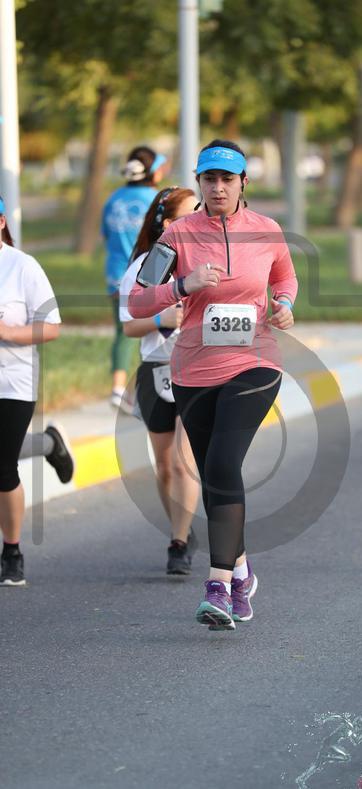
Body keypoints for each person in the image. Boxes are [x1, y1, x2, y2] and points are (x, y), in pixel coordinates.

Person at [128, 139, 297, 631]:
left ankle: (218, 585)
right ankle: (241, 574)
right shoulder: (177, 235)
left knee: (223, 465)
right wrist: (183, 285)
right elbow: (138, 301)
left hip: (255, 363)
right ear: (199, 183)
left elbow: (285, 279)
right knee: (214, 477)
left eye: (227, 179)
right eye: (209, 179)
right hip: (193, 371)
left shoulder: (266, 230)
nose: (218, 188)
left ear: (244, 182)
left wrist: (285, 305)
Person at [119, 186, 199, 574]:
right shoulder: (145, 268)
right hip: (156, 368)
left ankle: (178, 543)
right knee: (165, 466)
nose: (197, 219)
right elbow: (129, 326)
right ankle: (180, 526)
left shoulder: (206, 261)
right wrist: (160, 319)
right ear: (168, 224)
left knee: (183, 461)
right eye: (188, 214)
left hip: (196, 369)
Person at [0, 197, 62, 586]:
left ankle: (12, 551)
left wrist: (7, 332)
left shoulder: (21, 267)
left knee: (3, 466)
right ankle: (48, 444)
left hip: (12, 382)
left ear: (1, 221)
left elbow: (51, 327)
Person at [101, 145, 168, 410]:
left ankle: (117, 389)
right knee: (151, 332)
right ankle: (147, 390)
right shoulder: (157, 200)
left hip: (115, 274)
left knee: (123, 331)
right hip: (148, 274)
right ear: (153, 172)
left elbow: (106, 235)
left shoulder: (113, 198)